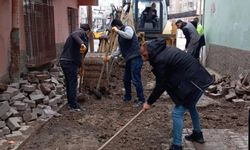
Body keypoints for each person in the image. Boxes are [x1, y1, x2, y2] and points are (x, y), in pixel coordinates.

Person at [141, 39, 214, 150]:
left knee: (177, 112)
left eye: (144, 55)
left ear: (150, 50)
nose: (144, 58)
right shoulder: (163, 51)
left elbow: (161, 84)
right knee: (191, 106)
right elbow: (168, 79)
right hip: (199, 78)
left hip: (195, 81)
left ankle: (177, 145)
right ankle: (197, 134)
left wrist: (149, 102)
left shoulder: (161, 59)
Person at [111, 19, 145, 107]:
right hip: (129, 59)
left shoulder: (127, 28)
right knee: (126, 79)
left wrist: (117, 31)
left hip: (136, 58)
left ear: (116, 26)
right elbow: (120, 51)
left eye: (114, 28)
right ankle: (128, 96)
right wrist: (110, 56)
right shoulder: (120, 36)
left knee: (136, 79)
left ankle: (141, 99)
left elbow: (129, 36)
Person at [59, 24, 91, 112]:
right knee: (72, 83)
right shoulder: (80, 32)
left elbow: (81, 55)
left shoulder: (80, 36)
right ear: (87, 31)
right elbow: (74, 35)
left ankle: (70, 103)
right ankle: (73, 105)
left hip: (64, 61)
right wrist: (82, 44)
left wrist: (80, 66)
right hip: (70, 62)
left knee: (69, 83)